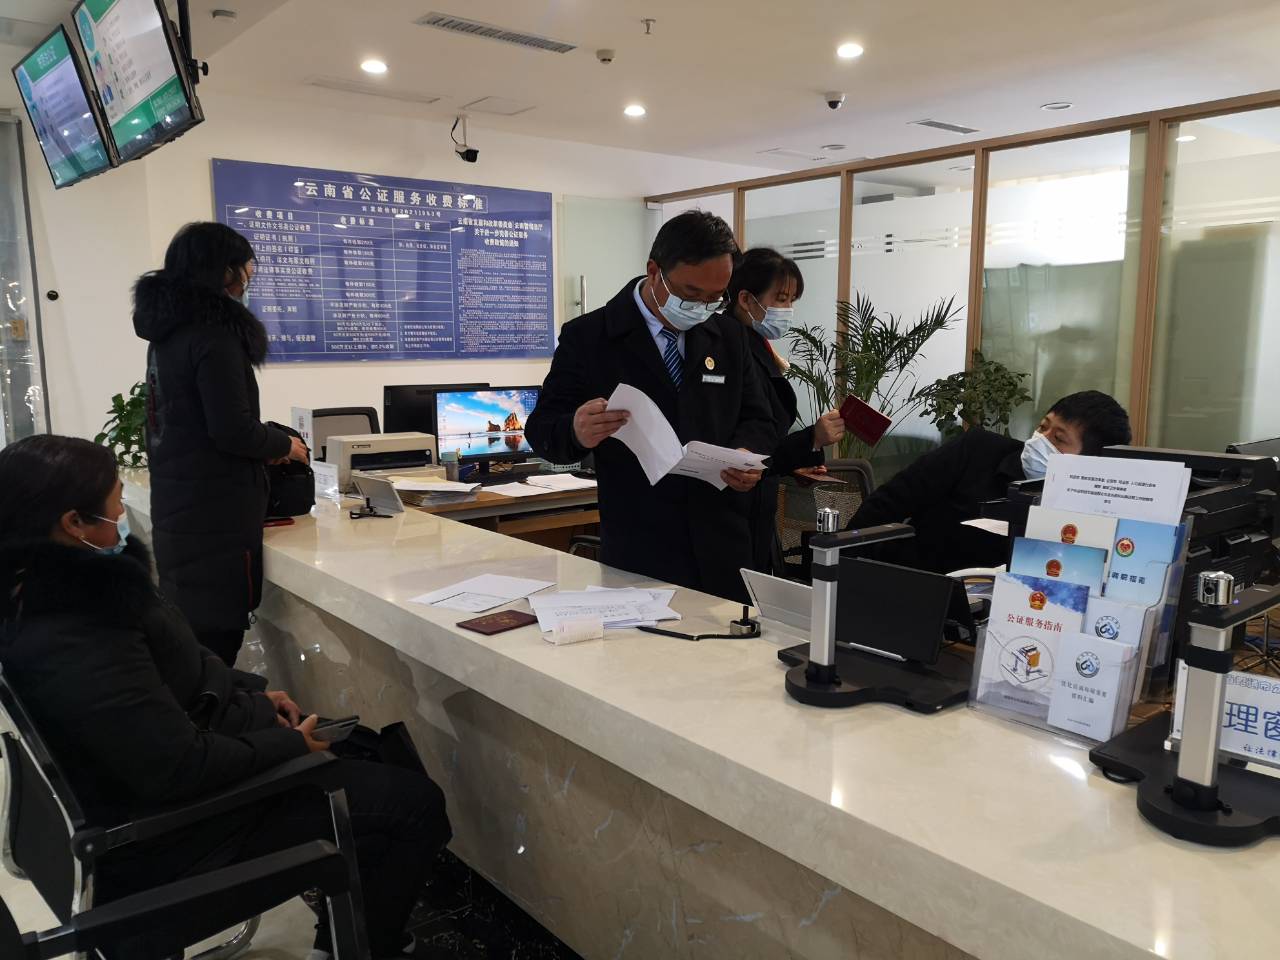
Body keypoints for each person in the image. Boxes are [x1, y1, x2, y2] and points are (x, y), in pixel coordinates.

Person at [0, 435, 451, 959]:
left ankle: (353, 935)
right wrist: (290, 747)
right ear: (74, 522)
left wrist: (253, 693)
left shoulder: (52, 594)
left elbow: (180, 661)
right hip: (170, 842)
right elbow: (177, 767)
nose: (122, 513)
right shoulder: (77, 627)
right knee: (414, 807)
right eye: (115, 500)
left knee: (370, 751)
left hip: (174, 785)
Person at [526, 211, 779, 602]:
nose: (702, 306)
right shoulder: (590, 337)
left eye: (716, 296)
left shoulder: (728, 335)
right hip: (641, 546)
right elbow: (542, 429)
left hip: (723, 542)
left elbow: (760, 418)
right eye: (691, 293)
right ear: (654, 271)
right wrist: (576, 430)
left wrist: (746, 454)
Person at [134, 222, 308, 667]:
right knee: (212, 652)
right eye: (247, 267)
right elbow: (232, 430)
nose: (250, 277)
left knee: (191, 647)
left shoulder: (168, 333)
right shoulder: (215, 335)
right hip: (217, 518)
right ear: (225, 270)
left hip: (182, 506)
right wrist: (284, 445)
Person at [846, 390, 1133, 574]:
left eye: (1058, 439)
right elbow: (889, 502)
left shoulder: (1091, 508)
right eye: (1043, 427)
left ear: (1090, 462)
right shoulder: (977, 450)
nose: (1040, 441)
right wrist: (841, 566)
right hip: (917, 586)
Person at [725, 248, 846, 573]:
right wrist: (812, 439)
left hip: (757, 506)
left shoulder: (756, 344)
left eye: (792, 300)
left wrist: (803, 454)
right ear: (746, 299)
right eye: (780, 299)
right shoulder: (730, 347)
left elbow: (768, 440)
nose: (787, 309)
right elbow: (751, 444)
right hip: (732, 508)